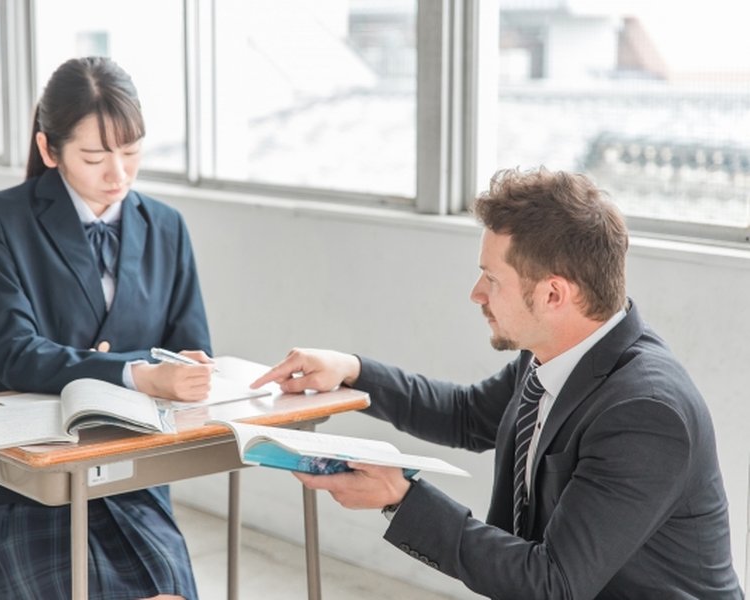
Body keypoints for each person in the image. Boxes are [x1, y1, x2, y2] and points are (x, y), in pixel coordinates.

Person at [251, 168, 743, 599]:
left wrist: (399, 500)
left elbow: (554, 584)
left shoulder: (645, 413)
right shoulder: (552, 357)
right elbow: (465, 416)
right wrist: (353, 369)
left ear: (553, 294)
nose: (476, 293)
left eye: (492, 278)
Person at [0, 56, 214, 600]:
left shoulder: (167, 227)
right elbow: (16, 354)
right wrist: (138, 375)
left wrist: (190, 375)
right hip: (18, 477)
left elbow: (190, 349)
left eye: (131, 152)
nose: (118, 175)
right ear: (49, 150)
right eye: (95, 157)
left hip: (129, 477)